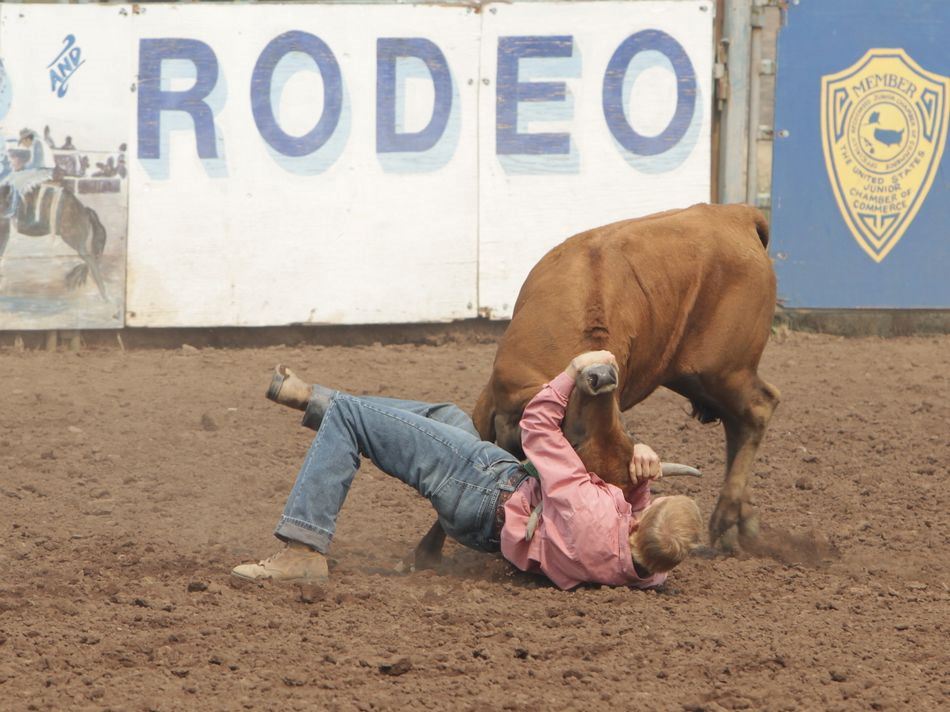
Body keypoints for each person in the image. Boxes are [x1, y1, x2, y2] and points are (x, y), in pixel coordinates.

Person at [232, 351, 703, 590]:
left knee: (350, 420)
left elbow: (537, 429)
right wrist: (641, 483)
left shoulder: (586, 506)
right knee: (447, 416)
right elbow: (637, 537)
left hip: (480, 482)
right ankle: (312, 399)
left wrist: (571, 370)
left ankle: (303, 548)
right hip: (483, 525)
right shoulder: (643, 573)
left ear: (639, 522)